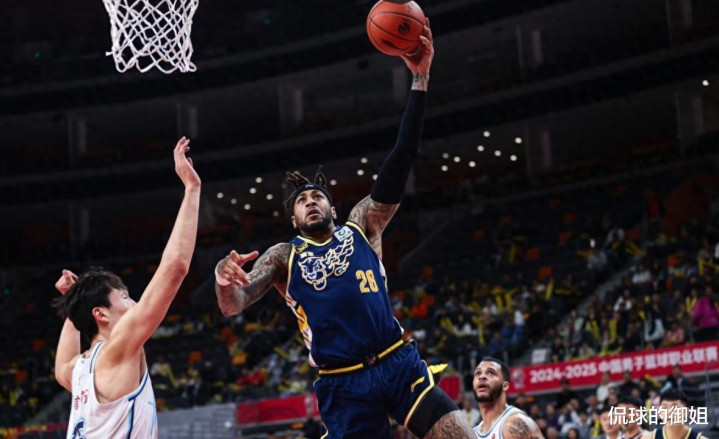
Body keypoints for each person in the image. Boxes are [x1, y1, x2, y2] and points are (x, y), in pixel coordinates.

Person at [214, 22, 473, 439]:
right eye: (301, 201)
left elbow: (402, 156)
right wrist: (223, 281)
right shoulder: (284, 256)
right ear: (294, 220)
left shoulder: (361, 225)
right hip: (343, 382)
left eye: (317, 196)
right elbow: (234, 305)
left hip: (396, 361)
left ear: (332, 207)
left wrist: (420, 78)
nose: (310, 202)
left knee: (460, 432)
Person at [52, 137, 201, 438]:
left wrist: (73, 303)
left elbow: (61, 366)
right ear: (101, 314)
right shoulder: (117, 349)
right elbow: (175, 267)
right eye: (124, 296)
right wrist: (192, 189)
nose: (134, 303)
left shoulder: (77, 371)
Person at [472, 357, 545, 439]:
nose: (481, 377)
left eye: (490, 373)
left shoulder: (515, 424)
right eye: (478, 373)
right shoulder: (473, 433)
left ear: (505, 386)